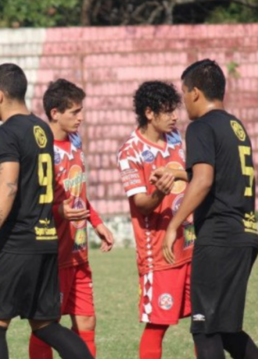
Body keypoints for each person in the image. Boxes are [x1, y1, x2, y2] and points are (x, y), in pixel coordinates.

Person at [0, 63, 93, 359]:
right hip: (46, 241)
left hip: (15, 243)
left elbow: (9, 186)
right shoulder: (41, 128)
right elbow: (30, 175)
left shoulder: (4, 133)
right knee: (45, 324)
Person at [160, 59, 258, 359]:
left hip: (219, 236)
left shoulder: (201, 126)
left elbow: (203, 181)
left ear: (196, 93)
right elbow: (221, 175)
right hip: (246, 231)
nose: (184, 102)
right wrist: (180, 174)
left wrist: (174, 224)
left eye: (184, 92)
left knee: (205, 328)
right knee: (226, 328)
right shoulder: (235, 125)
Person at [29, 79, 114, 359]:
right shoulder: (41, 149)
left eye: (81, 110)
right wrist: (59, 212)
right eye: (75, 112)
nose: (81, 117)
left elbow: (78, 192)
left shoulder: (75, 142)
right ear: (55, 113)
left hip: (78, 253)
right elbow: (31, 203)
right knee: (47, 325)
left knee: (87, 321)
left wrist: (96, 222)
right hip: (52, 253)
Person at [117, 81, 195, 359]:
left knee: (203, 320)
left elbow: (194, 174)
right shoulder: (130, 152)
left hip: (191, 245)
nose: (175, 116)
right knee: (158, 324)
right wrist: (159, 191)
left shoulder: (176, 138)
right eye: (167, 111)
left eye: (175, 110)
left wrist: (177, 176)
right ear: (149, 113)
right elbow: (141, 204)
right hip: (160, 254)